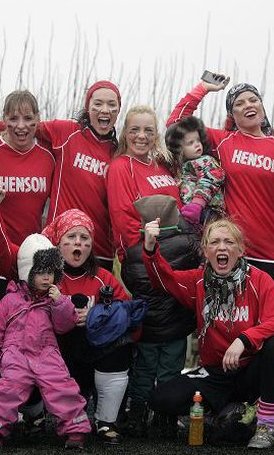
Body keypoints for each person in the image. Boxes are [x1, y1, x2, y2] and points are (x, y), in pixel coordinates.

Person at [0, 186, 134, 444]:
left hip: (83, 358)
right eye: (71, 236)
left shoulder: (103, 277)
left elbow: (129, 314)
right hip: (43, 354)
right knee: (18, 371)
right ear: (58, 243)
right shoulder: (36, 274)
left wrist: (97, 316)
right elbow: (3, 249)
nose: (79, 243)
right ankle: (32, 415)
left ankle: (106, 420)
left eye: (85, 237)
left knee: (121, 344)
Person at [142, 218, 274, 449]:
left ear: (240, 250)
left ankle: (266, 423)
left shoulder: (258, 279)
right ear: (205, 251)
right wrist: (150, 248)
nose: (221, 247)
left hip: (250, 371)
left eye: (229, 242)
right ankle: (226, 412)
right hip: (216, 373)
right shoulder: (198, 281)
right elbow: (164, 279)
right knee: (161, 398)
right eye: (214, 242)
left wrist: (244, 340)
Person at [106, 106, 200, 437]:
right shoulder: (120, 166)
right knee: (150, 340)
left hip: (175, 261)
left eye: (148, 130)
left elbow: (183, 124)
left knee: (175, 338)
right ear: (125, 132)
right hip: (143, 258)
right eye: (135, 129)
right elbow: (124, 220)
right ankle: (139, 409)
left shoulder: (163, 165)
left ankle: (166, 412)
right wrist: (155, 248)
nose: (142, 136)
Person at [0, 80, 122, 271]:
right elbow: (25, 125)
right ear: (87, 107)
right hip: (57, 245)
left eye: (111, 104)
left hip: (100, 250)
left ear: (118, 109)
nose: (104, 110)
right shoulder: (66, 133)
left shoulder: (118, 154)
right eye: (98, 103)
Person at [168, 76, 274, 291]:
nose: (248, 105)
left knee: (268, 313)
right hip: (231, 251)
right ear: (232, 114)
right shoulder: (223, 142)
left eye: (253, 100)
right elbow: (176, 124)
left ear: (261, 106)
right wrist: (203, 88)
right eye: (239, 103)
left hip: (273, 254)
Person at [0, 233, 91, 450]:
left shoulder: (55, 300)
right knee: (9, 390)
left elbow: (65, 325)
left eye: (50, 272)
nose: (46, 278)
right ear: (27, 272)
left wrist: (60, 303)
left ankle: (75, 430)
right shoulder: (10, 300)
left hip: (47, 354)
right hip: (16, 354)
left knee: (63, 388)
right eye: (40, 272)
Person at [0, 90, 54, 297]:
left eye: (28, 118)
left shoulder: (48, 156)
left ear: (38, 119)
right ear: (4, 120)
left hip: (31, 260)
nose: (21, 126)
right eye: (13, 118)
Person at [164, 115, 226, 225]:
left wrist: (197, 203)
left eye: (198, 140)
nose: (197, 144)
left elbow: (211, 179)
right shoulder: (180, 169)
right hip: (190, 212)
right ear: (179, 150)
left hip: (209, 210)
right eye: (190, 143)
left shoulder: (206, 161)